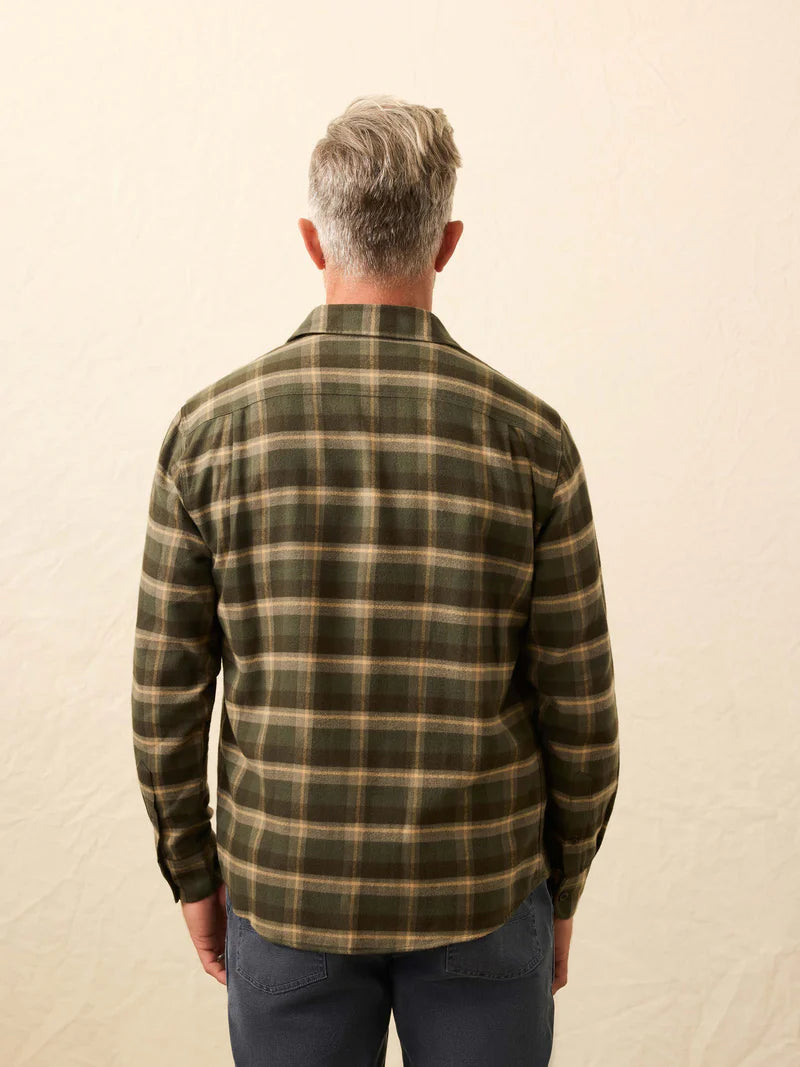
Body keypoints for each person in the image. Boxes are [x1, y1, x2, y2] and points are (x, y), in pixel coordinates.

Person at [131, 93, 620, 1067]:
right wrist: (558, 891)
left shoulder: (209, 435)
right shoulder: (529, 441)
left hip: (287, 893)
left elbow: (164, 703)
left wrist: (193, 872)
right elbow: (581, 714)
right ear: (446, 241)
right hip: (481, 892)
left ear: (314, 238)